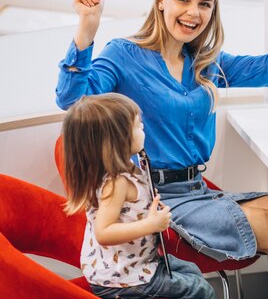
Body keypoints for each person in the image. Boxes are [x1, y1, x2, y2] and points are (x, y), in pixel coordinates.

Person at [56, 0, 268, 299]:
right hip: (156, 200)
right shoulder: (123, 54)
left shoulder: (206, 62)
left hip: (198, 191)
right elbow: (72, 101)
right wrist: (87, 30)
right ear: (160, 1)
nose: (193, 13)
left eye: (205, 4)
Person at [63, 93, 214, 299]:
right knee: (200, 290)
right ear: (117, 140)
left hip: (137, 262)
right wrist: (151, 224)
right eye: (137, 126)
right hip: (121, 278)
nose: (143, 129)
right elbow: (104, 233)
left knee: (192, 271)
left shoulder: (129, 167)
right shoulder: (116, 183)